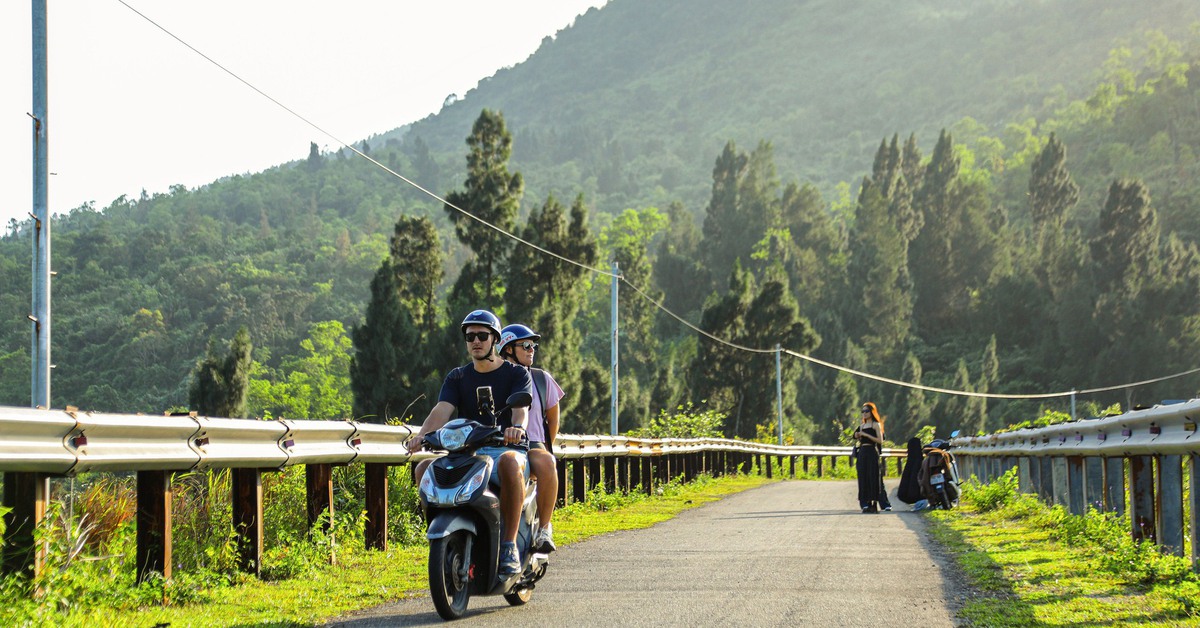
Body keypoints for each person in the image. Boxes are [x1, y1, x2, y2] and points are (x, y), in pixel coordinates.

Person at [407, 309, 533, 576]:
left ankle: (509, 545)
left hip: (505, 450)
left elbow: (521, 409)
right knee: (423, 470)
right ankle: (441, 539)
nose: (476, 341)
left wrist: (516, 428)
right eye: (470, 336)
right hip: (469, 453)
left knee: (511, 463)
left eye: (482, 335)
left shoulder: (516, 374)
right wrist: (421, 435)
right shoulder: (457, 377)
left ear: (495, 339)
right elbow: (442, 409)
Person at [498, 323, 564, 554]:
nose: (531, 349)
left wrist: (543, 446)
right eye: (525, 345)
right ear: (507, 348)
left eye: (533, 345)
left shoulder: (541, 379)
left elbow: (553, 420)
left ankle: (544, 528)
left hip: (530, 443)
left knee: (547, 463)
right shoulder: (496, 376)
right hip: (496, 444)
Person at [853, 402, 892, 513]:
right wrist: (857, 435)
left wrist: (866, 435)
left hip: (872, 452)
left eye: (867, 411)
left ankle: (881, 503)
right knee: (863, 477)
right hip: (862, 452)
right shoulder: (861, 426)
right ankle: (865, 503)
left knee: (874, 477)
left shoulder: (875, 424)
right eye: (863, 411)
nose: (864, 413)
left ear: (872, 412)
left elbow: (880, 440)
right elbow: (855, 435)